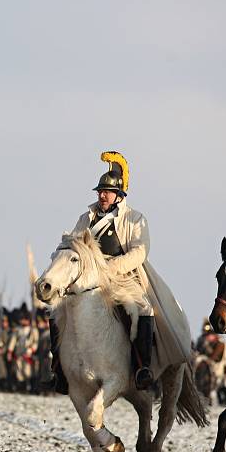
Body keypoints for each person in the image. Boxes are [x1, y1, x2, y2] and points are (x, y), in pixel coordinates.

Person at [51, 151, 191, 391]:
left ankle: (142, 368)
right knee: (57, 311)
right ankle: (59, 370)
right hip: (87, 281)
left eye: (106, 192)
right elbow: (73, 244)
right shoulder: (86, 218)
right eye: (100, 191)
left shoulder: (134, 219)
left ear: (118, 195)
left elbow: (139, 251)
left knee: (143, 309)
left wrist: (110, 268)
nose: (102, 195)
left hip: (121, 278)